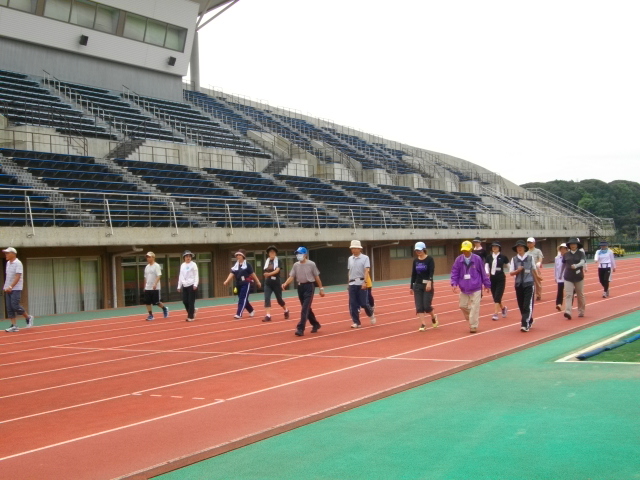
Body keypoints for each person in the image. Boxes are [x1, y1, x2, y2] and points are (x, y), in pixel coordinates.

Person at [282, 246, 325, 336]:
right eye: (297, 254)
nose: (298, 255)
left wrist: (321, 289)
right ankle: (315, 324)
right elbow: (292, 276)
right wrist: (285, 283)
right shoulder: (296, 265)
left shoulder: (311, 264)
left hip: (309, 286)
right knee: (307, 308)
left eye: (300, 253)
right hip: (300, 287)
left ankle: (300, 328)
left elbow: (317, 277)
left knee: (304, 308)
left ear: (305, 255)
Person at [451, 240, 491, 333]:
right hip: (464, 288)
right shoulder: (459, 260)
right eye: (463, 250)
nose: (465, 252)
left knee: (474, 308)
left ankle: (473, 326)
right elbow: (455, 272)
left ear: (471, 249)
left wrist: (487, 284)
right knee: (462, 306)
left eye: (467, 250)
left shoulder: (477, 259)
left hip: (476, 287)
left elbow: (482, 272)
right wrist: (454, 283)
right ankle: (472, 317)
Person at [224, 249, 261, 319]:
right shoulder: (236, 265)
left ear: (243, 256)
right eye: (237, 255)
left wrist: (258, 281)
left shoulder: (247, 265)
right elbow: (232, 273)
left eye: (239, 255)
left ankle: (239, 313)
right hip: (238, 284)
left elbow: (252, 274)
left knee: (242, 299)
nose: (238, 256)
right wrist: (226, 281)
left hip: (246, 283)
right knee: (244, 299)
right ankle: (251, 310)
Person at [346, 240, 376, 328]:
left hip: (361, 282)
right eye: (352, 248)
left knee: (364, 303)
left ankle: (371, 314)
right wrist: (348, 283)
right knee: (353, 303)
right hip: (352, 283)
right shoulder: (350, 259)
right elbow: (349, 271)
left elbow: (366, 270)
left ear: (359, 249)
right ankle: (356, 322)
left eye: (355, 248)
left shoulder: (365, 258)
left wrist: (365, 282)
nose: (353, 250)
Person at [3, 247, 34, 333]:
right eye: (5, 253)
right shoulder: (8, 263)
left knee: (15, 305)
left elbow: (18, 276)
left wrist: (11, 286)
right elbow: (9, 276)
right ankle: (14, 326)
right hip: (8, 287)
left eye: (7, 253)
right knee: (9, 307)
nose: (6, 255)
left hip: (16, 288)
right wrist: (6, 287)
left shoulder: (18, 263)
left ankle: (28, 317)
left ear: (13, 254)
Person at [509, 240, 536, 332]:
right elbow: (511, 273)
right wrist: (517, 271)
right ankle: (529, 319)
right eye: (518, 247)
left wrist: (538, 280)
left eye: (521, 247)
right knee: (521, 305)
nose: (519, 248)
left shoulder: (530, 258)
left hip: (529, 283)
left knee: (527, 304)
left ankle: (525, 324)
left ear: (524, 248)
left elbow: (534, 270)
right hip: (518, 284)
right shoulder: (514, 259)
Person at [410, 241, 438, 332]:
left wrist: (430, 282)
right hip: (417, 285)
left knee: (426, 306)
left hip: (427, 285)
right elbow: (413, 274)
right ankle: (423, 324)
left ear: (424, 249)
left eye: (419, 250)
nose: (418, 252)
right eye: (416, 250)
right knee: (419, 307)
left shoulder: (429, 259)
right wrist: (411, 286)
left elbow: (431, 272)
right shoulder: (415, 261)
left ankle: (433, 316)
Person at [262, 245, 289, 322]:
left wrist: (268, 274)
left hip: (276, 282)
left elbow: (277, 270)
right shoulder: (267, 262)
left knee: (279, 299)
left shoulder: (279, 261)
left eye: (273, 252)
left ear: (276, 253)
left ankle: (286, 310)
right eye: (270, 252)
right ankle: (268, 315)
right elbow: (265, 271)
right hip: (268, 283)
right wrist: (265, 274)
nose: (272, 253)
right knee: (267, 298)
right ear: (268, 254)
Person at [562, 237, 586, 320]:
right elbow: (563, 265)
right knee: (568, 294)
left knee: (580, 295)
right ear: (569, 245)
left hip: (579, 277)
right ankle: (568, 311)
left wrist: (576, 265)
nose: (573, 245)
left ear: (577, 245)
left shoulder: (581, 253)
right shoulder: (566, 254)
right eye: (571, 244)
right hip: (568, 277)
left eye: (574, 244)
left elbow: (583, 262)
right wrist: (560, 274)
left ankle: (581, 310)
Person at [484, 242, 509, 321]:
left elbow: (509, 266)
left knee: (498, 295)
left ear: (499, 248)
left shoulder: (503, 257)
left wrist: (514, 273)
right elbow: (486, 266)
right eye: (493, 247)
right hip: (492, 278)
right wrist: (487, 273)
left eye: (496, 247)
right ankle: (503, 308)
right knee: (495, 297)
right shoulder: (489, 257)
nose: (494, 248)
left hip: (501, 278)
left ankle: (495, 313)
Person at [143, 252, 169, 321]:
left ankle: (164, 308)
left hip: (155, 288)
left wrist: (155, 284)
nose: (148, 258)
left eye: (149, 257)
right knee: (147, 302)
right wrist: (145, 286)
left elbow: (159, 275)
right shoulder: (147, 267)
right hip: (148, 287)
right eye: (147, 257)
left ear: (153, 257)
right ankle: (150, 315)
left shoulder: (156, 266)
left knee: (156, 302)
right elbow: (145, 277)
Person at [177, 250, 199, 322]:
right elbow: (181, 276)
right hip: (185, 285)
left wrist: (195, 284)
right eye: (186, 256)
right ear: (184, 257)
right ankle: (192, 311)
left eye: (189, 256)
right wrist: (179, 286)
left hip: (192, 285)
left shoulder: (193, 265)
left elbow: (196, 275)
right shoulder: (182, 265)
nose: (188, 257)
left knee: (191, 301)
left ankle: (191, 317)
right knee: (185, 301)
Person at [554, 243, 568, 311]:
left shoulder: (569, 257)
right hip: (560, 277)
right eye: (561, 249)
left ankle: (569, 305)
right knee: (560, 290)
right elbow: (556, 268)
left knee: (569, 291)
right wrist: (555, 277)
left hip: (568, 277)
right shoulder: (557, 258)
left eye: (564, 249)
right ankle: (558, 304)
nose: (563, 250)